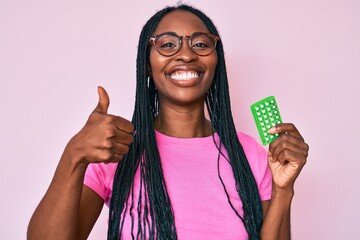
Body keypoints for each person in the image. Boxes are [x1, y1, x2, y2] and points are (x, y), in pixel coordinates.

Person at [27, 3, 309, 240]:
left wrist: (284, 189)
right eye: (168, 44)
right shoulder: (114, 149)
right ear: (148, 63)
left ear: (215, 60)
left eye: (200, 43)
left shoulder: (251, 155)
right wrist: (74, 155)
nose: (186, 54)